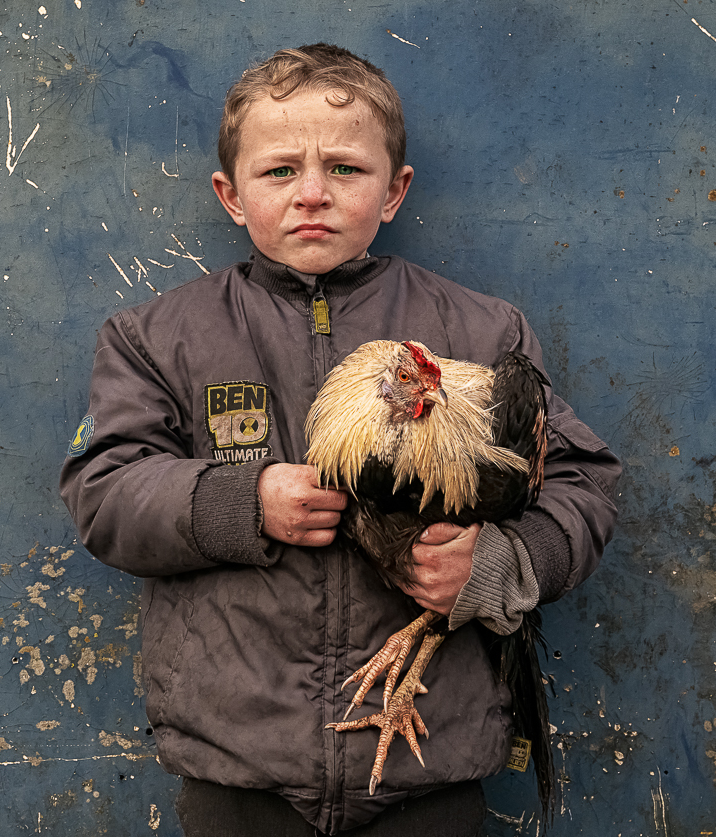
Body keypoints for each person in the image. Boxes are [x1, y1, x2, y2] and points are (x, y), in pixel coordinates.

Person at [60, 44, 619, 836]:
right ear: (230, 194)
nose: (312, 194)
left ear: (395, 192)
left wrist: (501, 564)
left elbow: (580, 483)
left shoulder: (481, 329)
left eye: (347, 171)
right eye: (280, 171)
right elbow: (104, 490)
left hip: (432, 758)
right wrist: (242, 501)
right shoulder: (156, 337)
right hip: (242, 762)